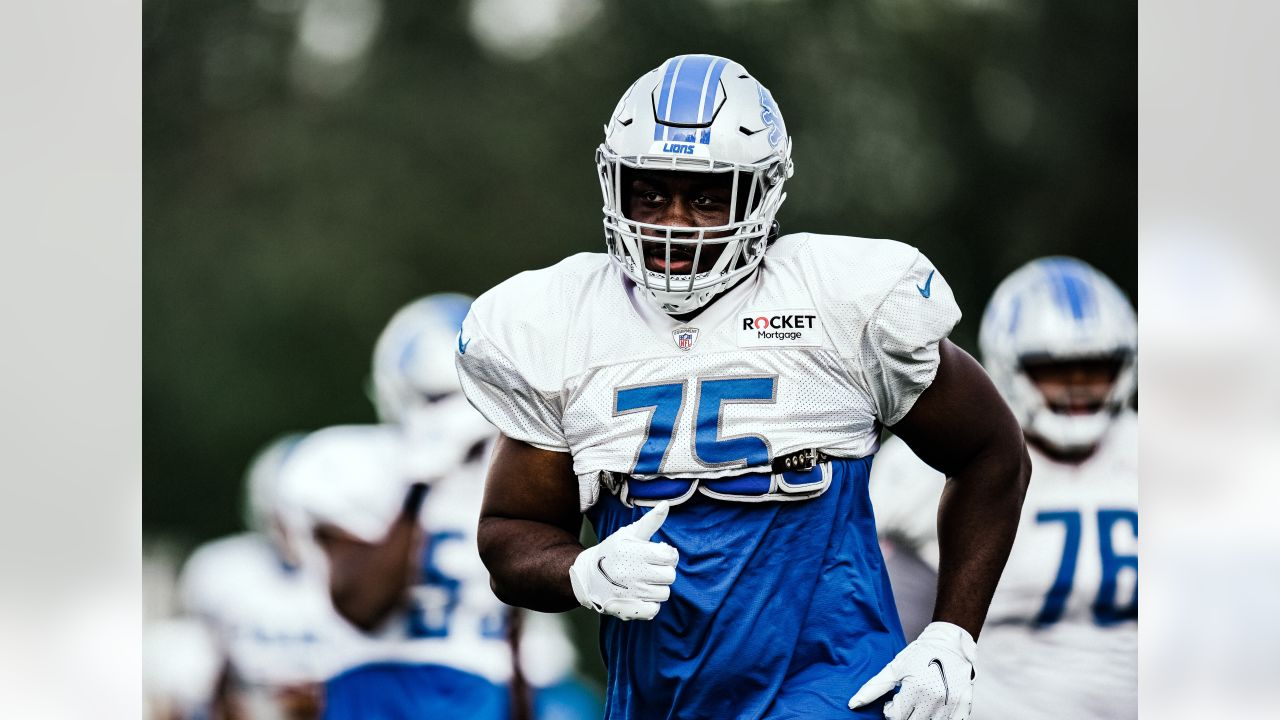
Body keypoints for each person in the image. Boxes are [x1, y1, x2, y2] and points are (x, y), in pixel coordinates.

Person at [455, 53, 1031, 720]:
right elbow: (512, 530)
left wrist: (951, 633)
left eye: (705, 197)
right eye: (650, 192)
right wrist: (577, 572)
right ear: (614, 184)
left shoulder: (842, 302)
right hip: (660, 700)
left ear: (761, 193)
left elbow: (992, 454)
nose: (673, 221)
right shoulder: (557, 324)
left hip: (830, 690)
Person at [870, 257, 1138, 718]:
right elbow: (888, 625)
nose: (1077, 391)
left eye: (1094, 370)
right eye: (1056, 372)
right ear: (1011, 368)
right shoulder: (929, 466)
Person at [178, 434, 360, 720]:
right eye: (287, 512)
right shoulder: (223, 570)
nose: (297, 526)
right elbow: (204, 677)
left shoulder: (363, 577)